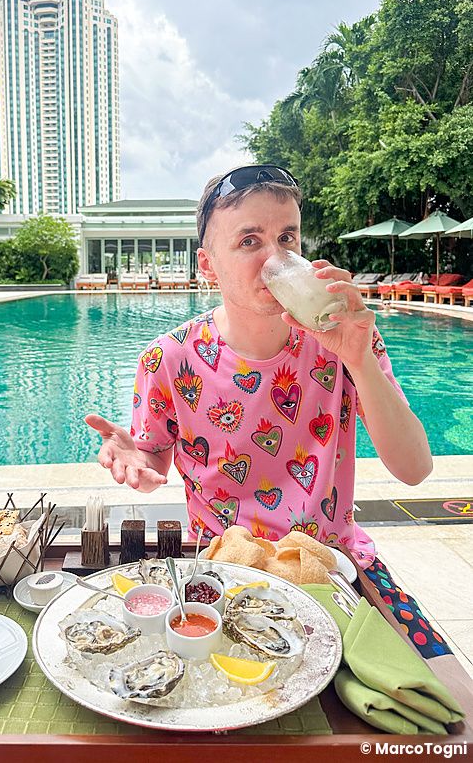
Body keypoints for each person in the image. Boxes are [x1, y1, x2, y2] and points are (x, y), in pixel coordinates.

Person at [86, 164, 449, 659]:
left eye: (287, 238)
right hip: (223, 576)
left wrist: (360, 360)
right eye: (249, 241)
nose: (275, 258)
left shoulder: (344, 342)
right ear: (208, 265)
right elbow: (153, 462)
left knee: (439, 705)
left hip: (332, 565)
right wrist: (137, 462)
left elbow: (415, 469)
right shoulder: (169, 359)